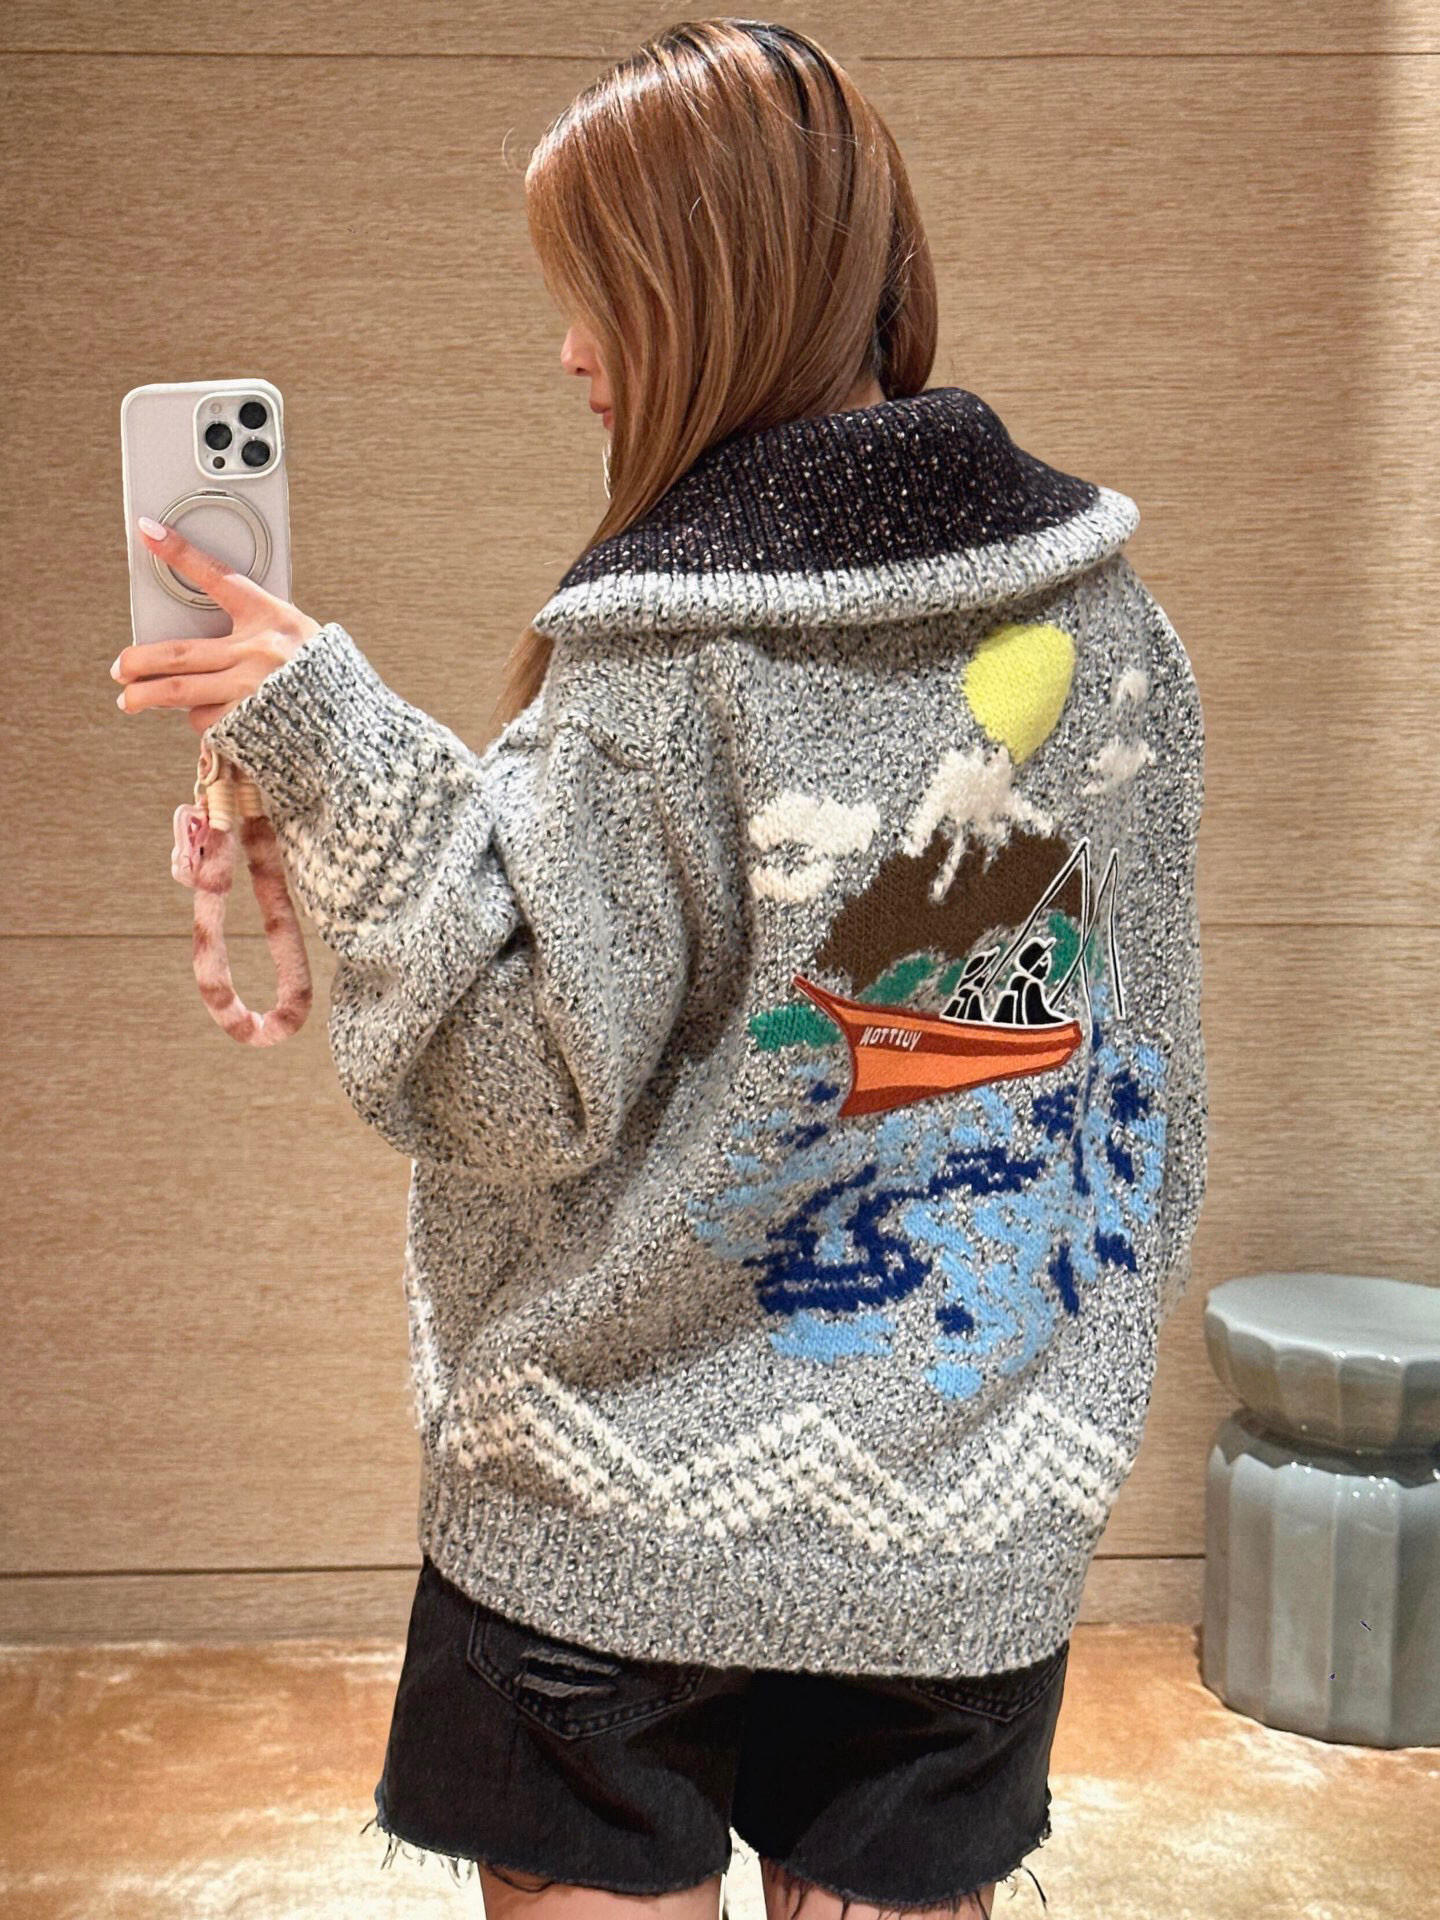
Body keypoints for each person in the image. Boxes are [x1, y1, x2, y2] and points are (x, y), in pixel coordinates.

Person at [114, 19, 1207, 1920]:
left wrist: (343, 758)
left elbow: (515, 1090)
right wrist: (1042, 1430)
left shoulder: (653, 669)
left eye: (593, 291)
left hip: (604, 1512)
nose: (569, 351)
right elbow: (1149, 1094)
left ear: (708, 294)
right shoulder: (1121, 634)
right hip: (968, 1515)